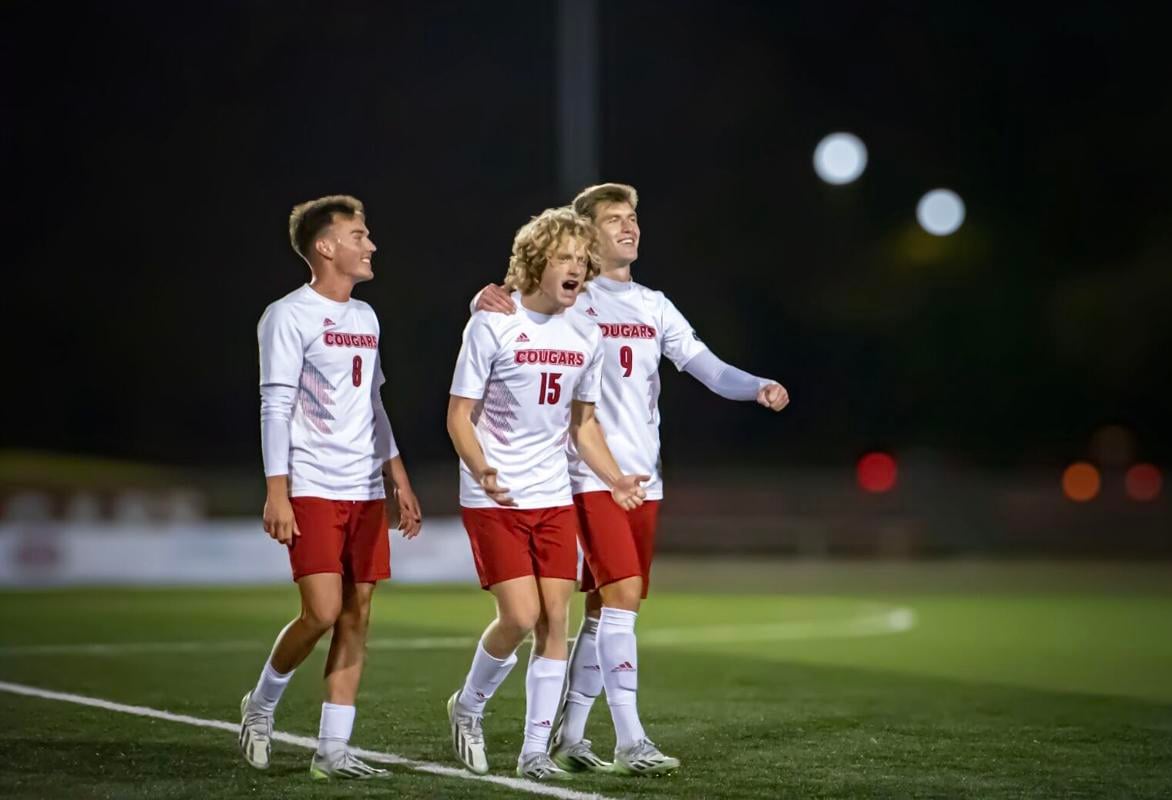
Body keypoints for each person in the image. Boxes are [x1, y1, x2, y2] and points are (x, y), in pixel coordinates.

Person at [473, 183, 790, 776]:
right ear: (585, 234)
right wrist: (481, 299)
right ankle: (630, 738)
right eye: (615, 219)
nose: (630, 228)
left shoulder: (653, 305)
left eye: (634, 218)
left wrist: (757, 387)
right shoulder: (568, 296)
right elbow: (504, 315)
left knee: (606, 610)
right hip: (584, 475)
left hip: (645, 477)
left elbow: (708, 368)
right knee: (620, 599)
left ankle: (569, 736)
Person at [446, 207, 650, 781]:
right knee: (520, 614)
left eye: (583, 261)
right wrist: (483, 468)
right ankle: (469, 707)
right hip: (495, 498)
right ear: (536, 263)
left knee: (555, 621)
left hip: (553, 496)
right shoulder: (492, 322)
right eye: (565, 258)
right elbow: (459, 416)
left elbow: (584, 426)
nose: (577, 269)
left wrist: (614, 479)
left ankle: (534, 753)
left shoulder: (586, 334)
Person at [239, 195, 423, 780]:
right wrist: (277, 491)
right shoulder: (286, 315)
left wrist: (397, 475)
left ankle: (332, 749)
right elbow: (275, 404)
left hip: (365, 488)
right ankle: (261, 706)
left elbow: (373, 403)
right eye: (359, 235)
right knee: (320, 611)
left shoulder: (366, 318)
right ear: (326, 246)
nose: (370, 246)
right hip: (313, 485)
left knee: (356, 614)